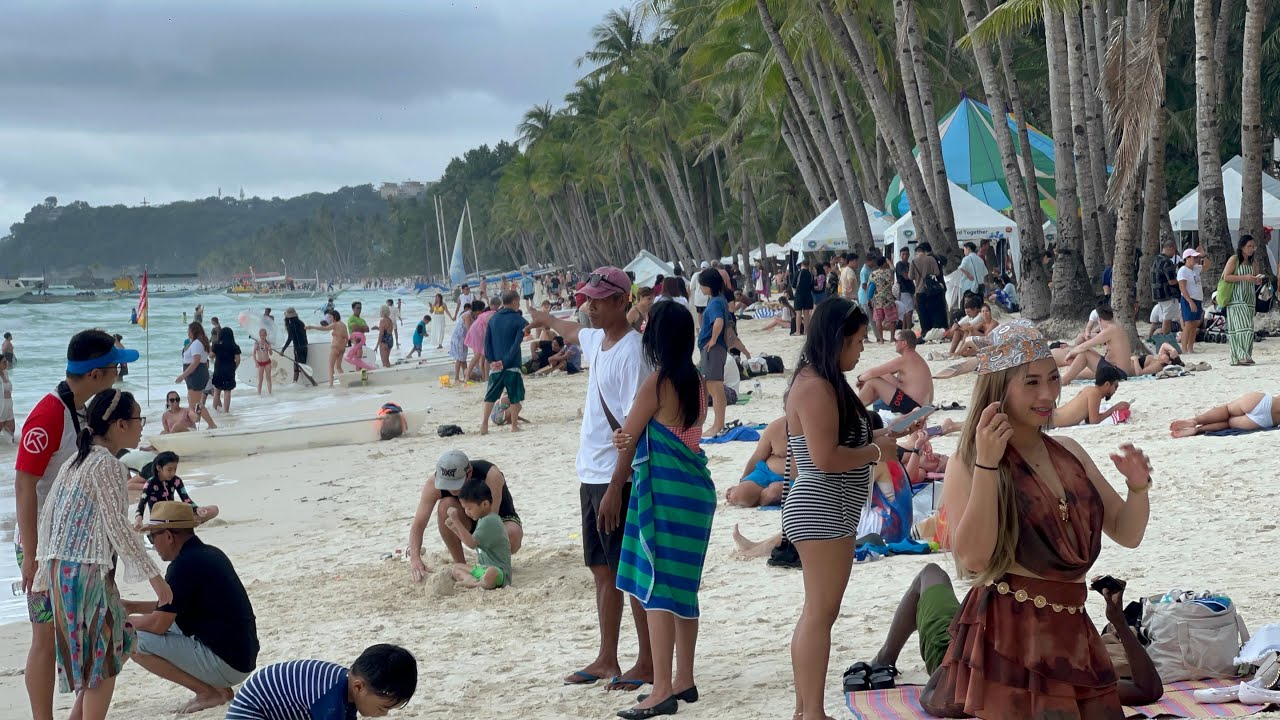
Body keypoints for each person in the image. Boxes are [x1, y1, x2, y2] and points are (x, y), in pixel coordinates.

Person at [931, 319, 1151, 718]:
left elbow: (1127, 531)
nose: (1049, 393)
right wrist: (986, 464)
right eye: (1031, 382)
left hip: (1074, 629)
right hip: (1011, 635)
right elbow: (975, 561)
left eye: (1053, 377)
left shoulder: (1069, 451)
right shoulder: (968, 462)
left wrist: (1138, 488)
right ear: (1000, 388)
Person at [531, 266, 654, 692]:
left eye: (598, 300)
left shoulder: (632, 353)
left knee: (627, 572)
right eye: (586, 299)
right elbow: (571, 331)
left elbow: (632, 430)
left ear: (623, 301)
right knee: (602, 570)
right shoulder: (598, 340)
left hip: (614, 477)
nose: (589, 306)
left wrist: (617, 489)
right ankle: (607, 657)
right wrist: (544, 319)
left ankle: (648, 661)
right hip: (591, 473)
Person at [781, 299, 900, 720]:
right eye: (859, 341)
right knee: (819, 614)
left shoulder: (821, 381)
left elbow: (816, 454)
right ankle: (812, 711)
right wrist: (874, 451)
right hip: (821, 509)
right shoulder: (815, 386)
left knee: (816, 612)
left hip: (827, 508)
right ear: (839, 339)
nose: (862, 349)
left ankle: (805, 710)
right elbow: (824, 458)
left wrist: (883, 438)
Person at [32, 389, 171, 720]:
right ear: (120, 424)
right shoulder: (107, 464)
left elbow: (49, 519)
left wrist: (41, 574)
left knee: (115, 643)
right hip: (84, 573)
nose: (141, 426)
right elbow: (119, 529)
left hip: (60, 573)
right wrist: (159, 583)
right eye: (139, 419)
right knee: (103, 662)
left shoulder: (76, 460)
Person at [15, 330, 132, 720]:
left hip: (73, 546)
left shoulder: (85, 410)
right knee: (45, 638)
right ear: (96, 374)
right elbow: (24, 482)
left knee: (80, 636)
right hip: (40, 547)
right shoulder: (49, 413)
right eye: (116, 366)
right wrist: (30, 556)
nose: (121, 371)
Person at [855, 566, 1161, 715]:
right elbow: (1148, 690)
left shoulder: (993, 686)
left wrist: (964, 643)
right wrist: (1118, 621)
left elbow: (931, 697)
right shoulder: (1070, 681)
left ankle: (884, 659)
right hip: (987, 625)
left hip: (961, 647)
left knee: (931, 575)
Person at [607, 300, 714, 719]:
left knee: (656, 589)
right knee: (684, 590)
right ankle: (684, 679)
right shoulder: (699, 381)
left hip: (666, 493)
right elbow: (682, 432)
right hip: (694, 493)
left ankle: (663, 689)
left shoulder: (657, 381)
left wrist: (622, 439)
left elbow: (629, 434)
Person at [127, 502, 258, 714]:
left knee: (131, 640)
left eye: (152, 538)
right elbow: (174, 607)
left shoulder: (183, 566)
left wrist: (115, 619)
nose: (153, 544)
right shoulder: (208, 553)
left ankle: (208, 693)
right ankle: (218, 689)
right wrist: (131, 606)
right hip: (240, 655)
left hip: (227, 663)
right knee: (147, 626)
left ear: (169, 536)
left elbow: (159, 623)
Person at [407, 451, 523, 581]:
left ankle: (498, 564)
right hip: (467, 517)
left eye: (455, 484)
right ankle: (462, 564)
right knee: (445, 506)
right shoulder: (433, 483)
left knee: (513, 534)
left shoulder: (491, 475)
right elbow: (418, 524)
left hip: (498, 519)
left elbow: (491, 523)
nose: (451, 489)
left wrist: (475, 543)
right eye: (446, 484)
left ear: (469, 473)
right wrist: (415, 558)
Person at [226, 644, 417, 720]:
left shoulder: (347, 684)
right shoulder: (329, 697)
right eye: (383, 708)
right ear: (359, 687)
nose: (382, 715)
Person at [438, 478, 514, 589]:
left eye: (469, 508)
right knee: (457, 567)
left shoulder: (490, 520)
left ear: (485, 504)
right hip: (483, 570)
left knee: (491, 571)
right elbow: (471, 541)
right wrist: (454, 528)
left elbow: (471, 544)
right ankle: (474, 581)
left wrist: (457, 521)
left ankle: (478, 583)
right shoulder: (482, 520)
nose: (467, 512)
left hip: (500, 574)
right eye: (464, 508)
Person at [481, 290, 529, 435]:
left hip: (495, 364)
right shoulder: (519, 321)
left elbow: (486, 343)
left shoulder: (493, 319)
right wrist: (505, 361)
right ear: (514, 301)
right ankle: (514, 426)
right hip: (511, 364)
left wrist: (491, 360)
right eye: (518, 302)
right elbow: (515, 344)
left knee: (491, 395)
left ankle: (484, 425)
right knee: (514, 395)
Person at [132, 451, 220, 528]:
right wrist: (138, 519)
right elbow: (141, 505)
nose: (173, 473)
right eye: (169, 470)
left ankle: (187, 522)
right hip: (159, 519)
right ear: (159, 468)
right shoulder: (150, 483)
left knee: (214, 509)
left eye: (175, 469)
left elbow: (186, 499)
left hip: (174, 515)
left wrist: (197, 509)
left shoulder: (176, 480)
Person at [855, 330, 934, 413]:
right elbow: (881, 372)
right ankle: (858, 407)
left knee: (873, 382)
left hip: (914, 407)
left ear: (904, 343)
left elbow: (871, 373)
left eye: (896, 341)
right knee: (881, 376)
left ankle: (852, 408)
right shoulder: (916, 359)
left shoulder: (904, 360)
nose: (894, 343)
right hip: (925, 406)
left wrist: (859, 379)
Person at [1059, 305, 1134, 384]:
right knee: (1079, 374)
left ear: (1099, 319)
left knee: (1085, 353)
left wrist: (1071, 353)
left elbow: (1085, 345)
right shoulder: (1118, 328)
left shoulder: (1110, 330)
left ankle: (1064, 381)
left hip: (1117, 373)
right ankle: (1066, 377)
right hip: (1118, 371)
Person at [697, 268, 731, 437]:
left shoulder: (716, 302)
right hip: (715, 348)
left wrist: (713, 339)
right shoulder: (718, 299)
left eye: (702, 285)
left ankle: (718, 425)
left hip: (714, 349)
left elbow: (719, 320)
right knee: (715, 388)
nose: (701, 288)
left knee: (715, 388)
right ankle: (718, 424)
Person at [725, 416, 786, 507]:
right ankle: (763, 497)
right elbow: (757, 457)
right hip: (766, 472)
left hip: (796, 479)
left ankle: (765, 497)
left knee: (775, 491)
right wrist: (743, 481)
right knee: (741, 495)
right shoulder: (776, 427)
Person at [1223, 234, 1264, 365]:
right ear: (1242, 247)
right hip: (1236, 298)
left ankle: (1244, 355)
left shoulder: (1254, 263)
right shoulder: (1234, 260)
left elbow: (1256, 280)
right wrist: (1244, 277)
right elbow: (1226, 277)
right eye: (1249, 246)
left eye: (1253, 246)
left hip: (1249, 298)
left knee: (1249, 328)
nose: (1252, 249)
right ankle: (1241, 356)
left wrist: (1257, 280)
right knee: (1242, 328)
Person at [1170, 391, 1280, 437]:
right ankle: (1198, 430)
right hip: (1268, 420)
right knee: (1229, 424)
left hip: (1264, 402)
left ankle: (1195, 421)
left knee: (1227, 410)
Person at [1051, 366, 1130, 427]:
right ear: (1107, 384)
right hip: (1051, 421)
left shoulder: (1089, 390)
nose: (1116, 390)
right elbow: (1094, 421)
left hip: (1053, 417)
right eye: (1115, 386)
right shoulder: (1095, 393)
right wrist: (1115, 408)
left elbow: (1088, 420)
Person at [175, 322, 212, 414]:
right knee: (192, 402)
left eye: (188, 330)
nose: (187, 332)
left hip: (196, 373)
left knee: (196, 404)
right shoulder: (195, 342)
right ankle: (193, 422)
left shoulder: (197, 343)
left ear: (193, 331)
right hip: (193, 374)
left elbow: (196, 361)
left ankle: (210, 424)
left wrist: (182, 376)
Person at [911, 243, 947, 335]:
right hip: (932, 289)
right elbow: (937, 272)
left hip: (919, 290)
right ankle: (935, 329)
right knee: (934, 311)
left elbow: (910, 276)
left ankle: (925, 331)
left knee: (922, 313)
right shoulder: (931, 259)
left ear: (917, 252)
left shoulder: (914, 261)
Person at [305, 309, 348, 386]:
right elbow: (347, 337)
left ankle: (331, 385)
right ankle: (345, 382)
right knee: (338, 367)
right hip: (342, 348)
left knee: (331, 367)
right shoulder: (343, 324)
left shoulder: (335, 324)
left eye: (330, 317)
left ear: (335, 317)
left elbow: (324, 328)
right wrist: (344, 346)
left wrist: (311, 327)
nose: (329, 318)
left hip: (335, 347)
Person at [1177, 248, 1204, 354]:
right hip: (1188, 299)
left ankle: (1191, 348)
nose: (1196, 259)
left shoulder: (1195, 269)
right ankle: (1184, 348)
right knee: (1188, 325)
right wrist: (1190, 302)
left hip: (1198, 298)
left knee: (1194, 325)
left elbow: (1207, 266)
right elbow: (1182, 287)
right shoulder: (1183, 270)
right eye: (1194, 257)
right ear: (1187, 258)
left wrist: (1203, 256)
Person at [464, 297, 498, 382]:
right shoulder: (491, 314)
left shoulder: (488, 313)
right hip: (477, 333)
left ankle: (485, 378)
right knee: (478, 355)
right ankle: (468, 376)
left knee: (483, 356)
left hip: (479, 333)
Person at [869, 255, 898, 342]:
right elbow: (894, 269)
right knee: (892, 319)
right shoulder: (889, 272)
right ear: (884, 263)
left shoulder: (873, 274)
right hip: (888, 298)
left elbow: (871, 287)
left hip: (877, 299)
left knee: (878, 319)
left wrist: (869, 298)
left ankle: (881, 339)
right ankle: (892, 338)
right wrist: (889, 262)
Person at [280, 307, 309, 384]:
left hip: (298, 348)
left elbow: (290, 339)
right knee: (300, 366)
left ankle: (310, 382)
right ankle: (295, 384)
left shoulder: (290, 326)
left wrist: (283, 350)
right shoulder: (301, 323)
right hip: (305, 347)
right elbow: (304, 336)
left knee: (299, 368)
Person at [792, 259, 814, 335]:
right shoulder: (811, 274)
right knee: (806, 313)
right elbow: (812, 286)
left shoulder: (797, 273)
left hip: (799, 295)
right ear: (808, 265)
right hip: (808, 295)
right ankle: (806, 331)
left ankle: (798, 331)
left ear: (801, 265)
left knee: (798, 313)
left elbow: (793, 285)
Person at [896, 247, 916, 330]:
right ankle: (908, 328)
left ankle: (905, 328)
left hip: (911, 289)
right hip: (904, 290)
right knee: (909, 310)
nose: (905, 256)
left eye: (907, 254)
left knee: (906, 310)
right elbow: (906, 276)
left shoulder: (909, 264)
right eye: (903, 254)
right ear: (900, 255)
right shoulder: (899, 264)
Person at [253, 328, 274, 396]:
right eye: (261, 335)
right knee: (260, 379)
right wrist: (255, 362)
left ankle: (270, 393)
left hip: (267, 362)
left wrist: (270, 349)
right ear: (259, 335)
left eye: (263, 335)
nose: (262, 337)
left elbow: (271, 354)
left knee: (268, 378)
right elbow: (253, 353)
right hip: (260, 363)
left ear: (266, 335)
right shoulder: (257, 343)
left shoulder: (268, 343)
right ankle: (259, 394)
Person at [0, 352, 14, 442]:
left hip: (9, 404)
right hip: (1, 406)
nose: (6, 363)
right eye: (4, 362)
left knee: (11, 432)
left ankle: (10, 454)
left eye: (6, 361)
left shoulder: (5, 373)